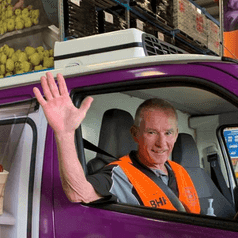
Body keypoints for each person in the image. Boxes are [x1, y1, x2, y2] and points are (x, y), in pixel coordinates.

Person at [33, 72, 200, 214]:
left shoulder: (180, 171)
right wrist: (65, 134)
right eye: (151, 132)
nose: (161, 143)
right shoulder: (119, 174)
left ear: (176, 134)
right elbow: (79, 193)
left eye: (168, 133)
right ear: (135, 134)